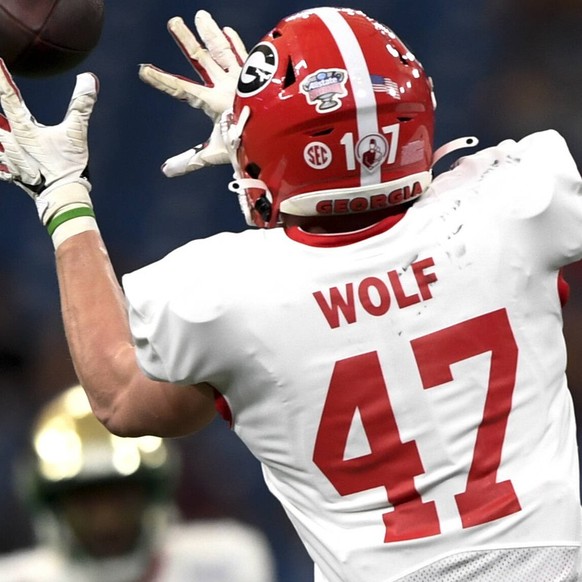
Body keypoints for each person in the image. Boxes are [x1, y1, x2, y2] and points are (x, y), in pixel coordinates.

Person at [0, 5, 580, 581]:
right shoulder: (514, 203)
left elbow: (121, 399)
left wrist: (63, 201)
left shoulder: (231, 294)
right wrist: (286, 140)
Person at [0, 385, 276, 582]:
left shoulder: (224, 563)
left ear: (154, 492)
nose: (106, 522)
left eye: (120, 497)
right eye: (86, 502)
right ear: (51, 504)